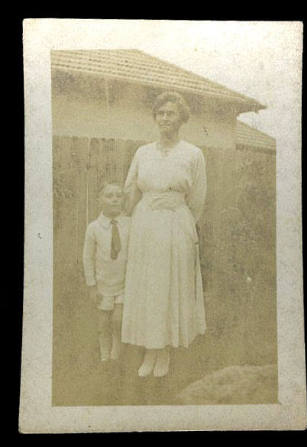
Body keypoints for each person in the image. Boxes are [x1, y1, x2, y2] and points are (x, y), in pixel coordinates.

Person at [121, 91, 207, 377]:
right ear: (155, 118)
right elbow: (131, 189)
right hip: (145, 224)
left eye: (171, 113)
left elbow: (197, 200)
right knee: (147, 286)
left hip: (176, 224)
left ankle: (165, 350)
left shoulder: (193, 154)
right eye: (160, 113)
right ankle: (149, 350)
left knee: (170, 286)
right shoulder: (142, 152)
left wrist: (181, 225)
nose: (165, 118)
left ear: (181, 118)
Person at [83, 183, 130, 362]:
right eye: (109, 195)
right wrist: (92, 286)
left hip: (123, 283)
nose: (115, 199)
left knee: (117, 320)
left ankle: (116, 351)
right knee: (103, 322)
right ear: (99, 201)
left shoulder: (129, 223)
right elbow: (87, 258)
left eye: (118, 195)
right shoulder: (94, 228)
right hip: (103, 284)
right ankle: (104, 352)